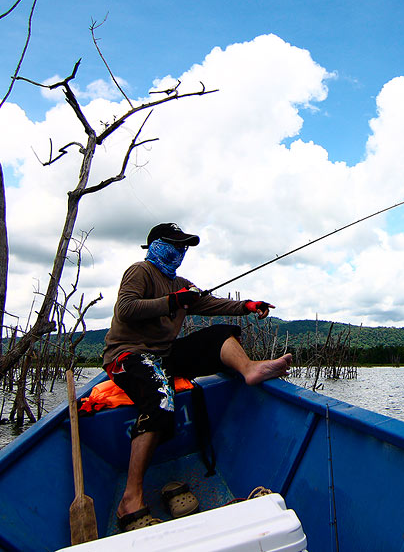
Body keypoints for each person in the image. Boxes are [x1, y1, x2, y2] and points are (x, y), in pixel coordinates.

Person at [102, 222, 292, 531]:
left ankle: (250, 369)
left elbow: (211, 304)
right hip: (127, 354)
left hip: (164, 353)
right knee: (161, 399)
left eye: (183, 247)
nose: (179, 251)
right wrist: (173, 301)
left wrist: (247, 305)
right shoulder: (140, 271)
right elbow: (126, 308)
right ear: (154, 246)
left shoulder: (182, 283)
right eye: (173, 245)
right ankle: (130, 501)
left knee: (220, 333)